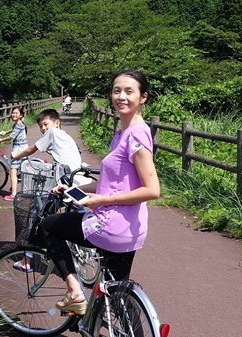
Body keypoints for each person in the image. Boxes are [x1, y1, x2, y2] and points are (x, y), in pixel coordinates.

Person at [38, 69, 160, 314]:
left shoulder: (135, 135)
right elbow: (110, 181)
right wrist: (74, 189)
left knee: (48, 226)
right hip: (131, 228)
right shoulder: (124, 132)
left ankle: (74, 291)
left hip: (110, 224)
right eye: (117, 91)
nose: (121, 97)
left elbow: (152, 190)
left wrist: (103, 200)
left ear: (143, 97)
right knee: (118, 294)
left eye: (129, 91)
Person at [10, 108, 83, 271]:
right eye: (41, 126)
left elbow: (31, 150)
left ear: (57, 123)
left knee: (36, 212)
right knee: (79, 211)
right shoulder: (66, 137)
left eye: (45, 124)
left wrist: (16, 156)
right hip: (78, 183)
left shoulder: (52, 134)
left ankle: (26, 262)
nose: (43, 128)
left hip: (65, 184)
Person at [0, 106, 28, 201]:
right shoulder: (18, 124)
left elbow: (12, 137)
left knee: (12, 172)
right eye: (13, 113)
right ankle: (14, 185)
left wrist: (1, 140)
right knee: (17, 170)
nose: (14, 114)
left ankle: (13, 194)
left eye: (16, 113)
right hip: (21, 148)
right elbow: (13, 130)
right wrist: (5, 132)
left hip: (18, 150)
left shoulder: (19, 125)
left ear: (21, 115)